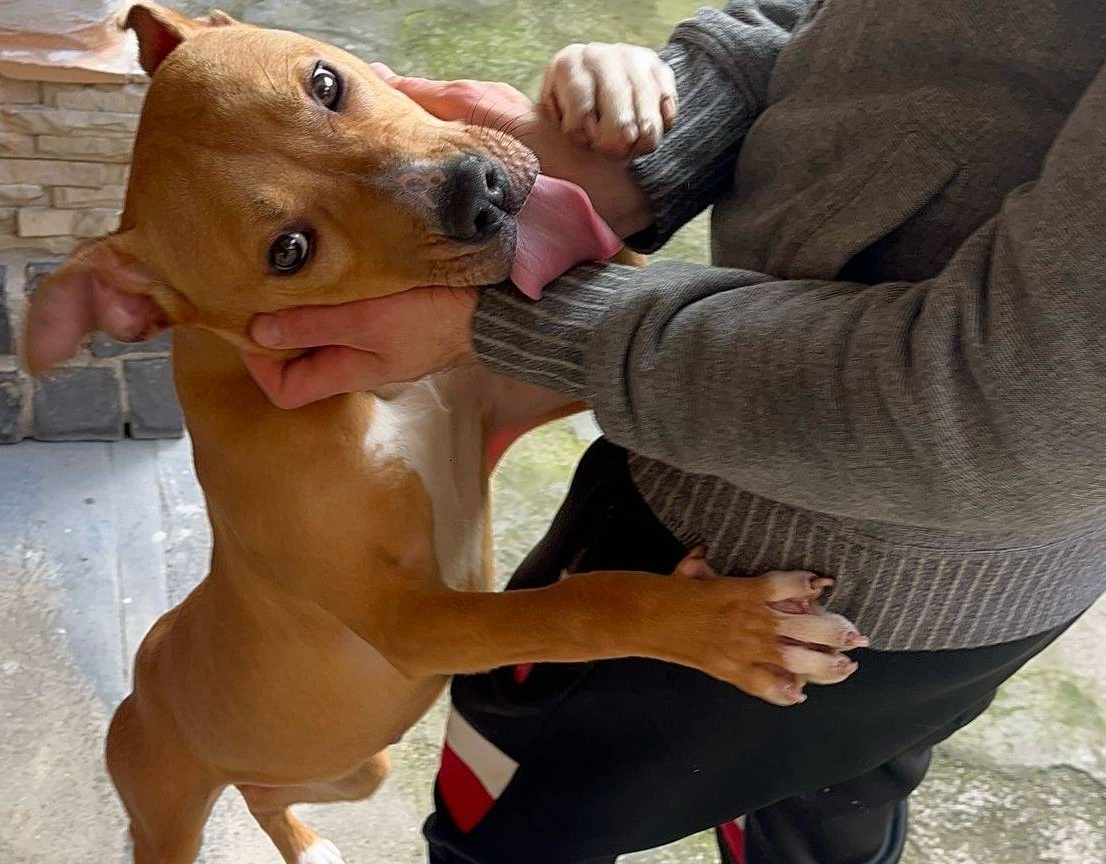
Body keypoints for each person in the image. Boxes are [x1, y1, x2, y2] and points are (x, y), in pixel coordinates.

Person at [243, 1, 1106, 861]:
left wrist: (507, 323)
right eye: (288, 245)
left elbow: (1010, 410)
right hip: (965, 572)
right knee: (838, 795)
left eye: (329, 89)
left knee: (514, 798)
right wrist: (651, 135)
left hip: (788, 526)